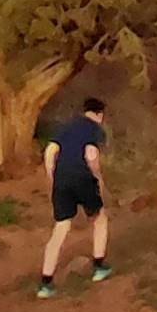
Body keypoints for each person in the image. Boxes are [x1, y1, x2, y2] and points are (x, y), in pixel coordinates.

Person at [38, 96, 111, 297]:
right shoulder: (94, 129)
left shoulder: (67, 127)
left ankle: (46, 282)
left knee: (61, 226)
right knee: (99, 218)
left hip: (62, 179)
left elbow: (51, 151)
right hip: (83, 176)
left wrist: (52, 176)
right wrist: (98, 179)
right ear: (99, 114)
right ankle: (99, 266)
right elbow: (91, 155)